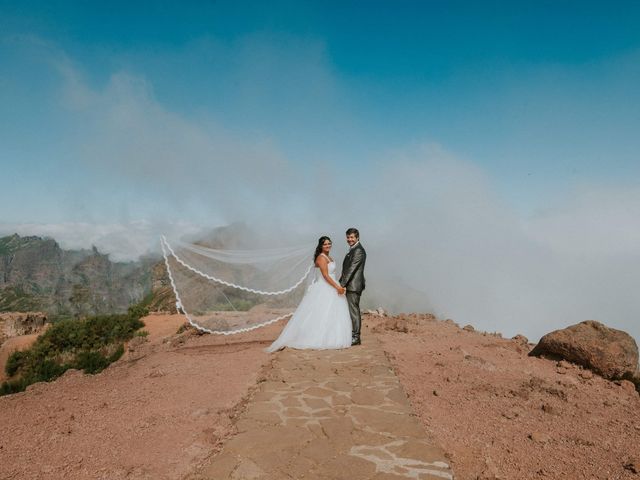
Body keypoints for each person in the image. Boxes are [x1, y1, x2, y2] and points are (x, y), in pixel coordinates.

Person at [267, 236, 352, 352]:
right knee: (321, 313)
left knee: (332, 313)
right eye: (325, 244)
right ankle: (317, 339)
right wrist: (338, 287)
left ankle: (332, 338)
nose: (328, 245)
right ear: (321, 246)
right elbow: (325, 276)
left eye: (329, 243)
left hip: (332, 285)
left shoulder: (329, 257)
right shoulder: (321, 258)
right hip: (325, 287)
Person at [339, 228, 367, 346]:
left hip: (353, 286)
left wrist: (341, 285)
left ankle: (356, 337)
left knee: (354, 311)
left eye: (352, 237)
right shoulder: (353, 249)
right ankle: (351, 335)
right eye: (348, 237)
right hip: (351, 285)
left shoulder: (358, 251)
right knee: (351, 311)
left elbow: (351, 270)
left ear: (357, 238)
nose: (349, 239)